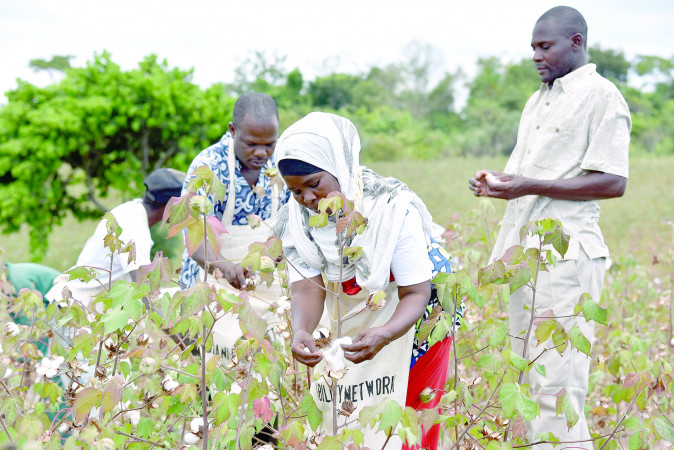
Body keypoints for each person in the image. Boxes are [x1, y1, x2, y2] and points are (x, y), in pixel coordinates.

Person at [469, 6, 630, 447]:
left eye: (546, 46)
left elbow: (612, 181)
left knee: (558, 389)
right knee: (527, 376)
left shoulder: (602, 96)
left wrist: (528, 185)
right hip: (525, 256)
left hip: (567, 258)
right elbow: (523, 177)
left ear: (576, 42)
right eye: (533, 48)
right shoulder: (537, 100)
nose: (536, 56)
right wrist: (495, 184)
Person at [273, 112, 460, 449]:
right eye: (296, 190)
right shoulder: (295, 220)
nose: (307, 199)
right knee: (353, 415)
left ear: (339, 166)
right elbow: (305, 286)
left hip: (422, 316)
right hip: (362, 312)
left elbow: (416, 291)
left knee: (409, 418)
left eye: (314, 184)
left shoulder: (389, 207)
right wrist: (302, 330)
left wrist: (386, 333)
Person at [178, 92, 289, 291]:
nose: (261, 153)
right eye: (251, 144)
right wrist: (226, 268)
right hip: (211, 281)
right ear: (233, 130)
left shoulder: (282, 163)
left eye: (269, 144)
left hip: (266, 285)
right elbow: (194, 237)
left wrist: (270, 256)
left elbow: (292, 223)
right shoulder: (209, 167)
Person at [46, 168, 186, 307]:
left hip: (86, 305)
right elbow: (144, 294)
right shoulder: (135, 229)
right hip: (75, 311)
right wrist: (169, 328)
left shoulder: (132, 209)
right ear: (170, 206)